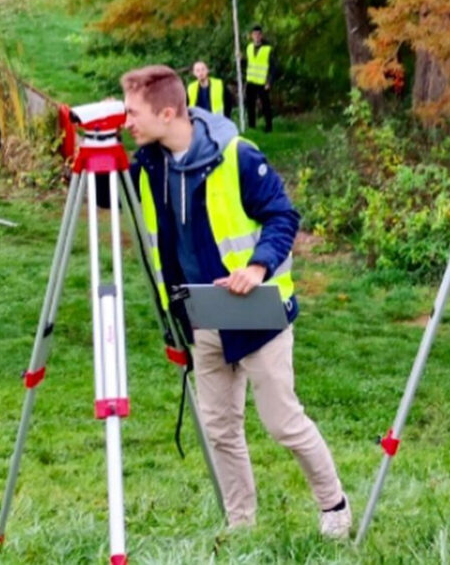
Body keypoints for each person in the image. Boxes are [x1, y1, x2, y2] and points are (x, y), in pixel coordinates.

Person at [122, 64, 351, 537]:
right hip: (202, 315)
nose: (127, 123)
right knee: (220, 429)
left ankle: (335, 506)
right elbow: (110, 197)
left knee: (283, 422)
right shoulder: (150, 162)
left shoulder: (236, 156)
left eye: (131, 113)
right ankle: (241, 522)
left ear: (167, 113)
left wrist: (258, 266)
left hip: (256, 314)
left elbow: (283, 215)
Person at [243, 25, 276, 132]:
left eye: (258, 34)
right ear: (251, 36)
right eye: (254, 34)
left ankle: (269, 126)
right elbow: (249, 62)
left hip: (262, 82)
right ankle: (252, 126)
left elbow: (273, 67)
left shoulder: (267, 49)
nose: (256, 36)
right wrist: (241, 58)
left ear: (261, 36)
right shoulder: (249, 48)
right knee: (250, 105)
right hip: (251, 80)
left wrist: (269, 81)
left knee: (265, 105)